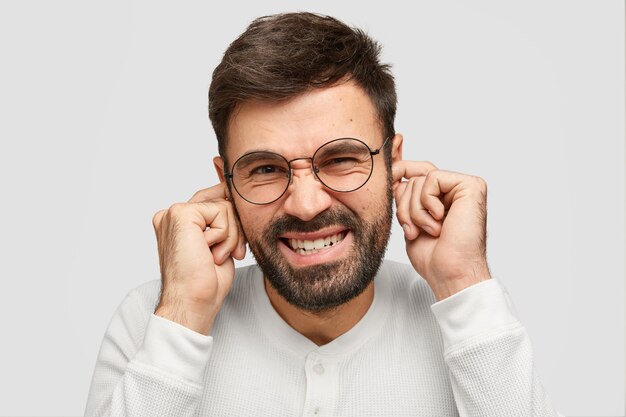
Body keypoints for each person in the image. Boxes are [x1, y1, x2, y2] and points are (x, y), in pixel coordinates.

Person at [85, 12, 562, 417]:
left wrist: (463, 285)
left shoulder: (467, 313)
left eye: (340, 159)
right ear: (226, 183)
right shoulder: (154, 320)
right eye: (266, 169)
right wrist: (184, 315)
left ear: (393, 163)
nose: (307, 204)